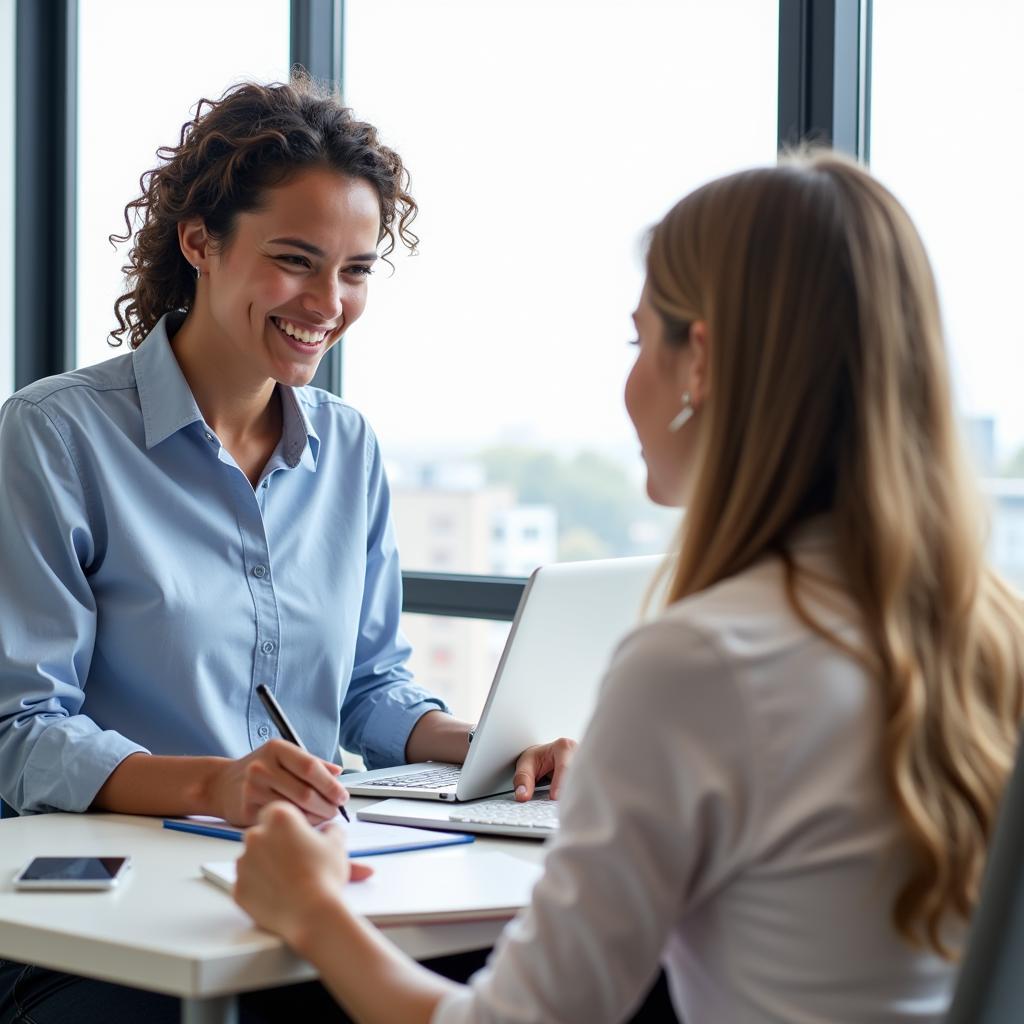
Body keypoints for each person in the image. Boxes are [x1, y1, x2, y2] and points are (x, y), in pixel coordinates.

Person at [231, 149, 1024, 1024]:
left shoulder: (705, 662)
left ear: (702, 363)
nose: (629, 380)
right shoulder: (988, 630)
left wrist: (310, 910)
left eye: (640, 339)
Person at [0, 77, 573, 1022]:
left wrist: (497, 754)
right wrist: (221, 784)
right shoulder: (55, 436)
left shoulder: (347, 447)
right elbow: (21, 731)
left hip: (307, 897)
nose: (328, 302)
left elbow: (370, 691)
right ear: (200, 243)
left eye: (355, 270)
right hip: (109, 927)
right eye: (297, 261)